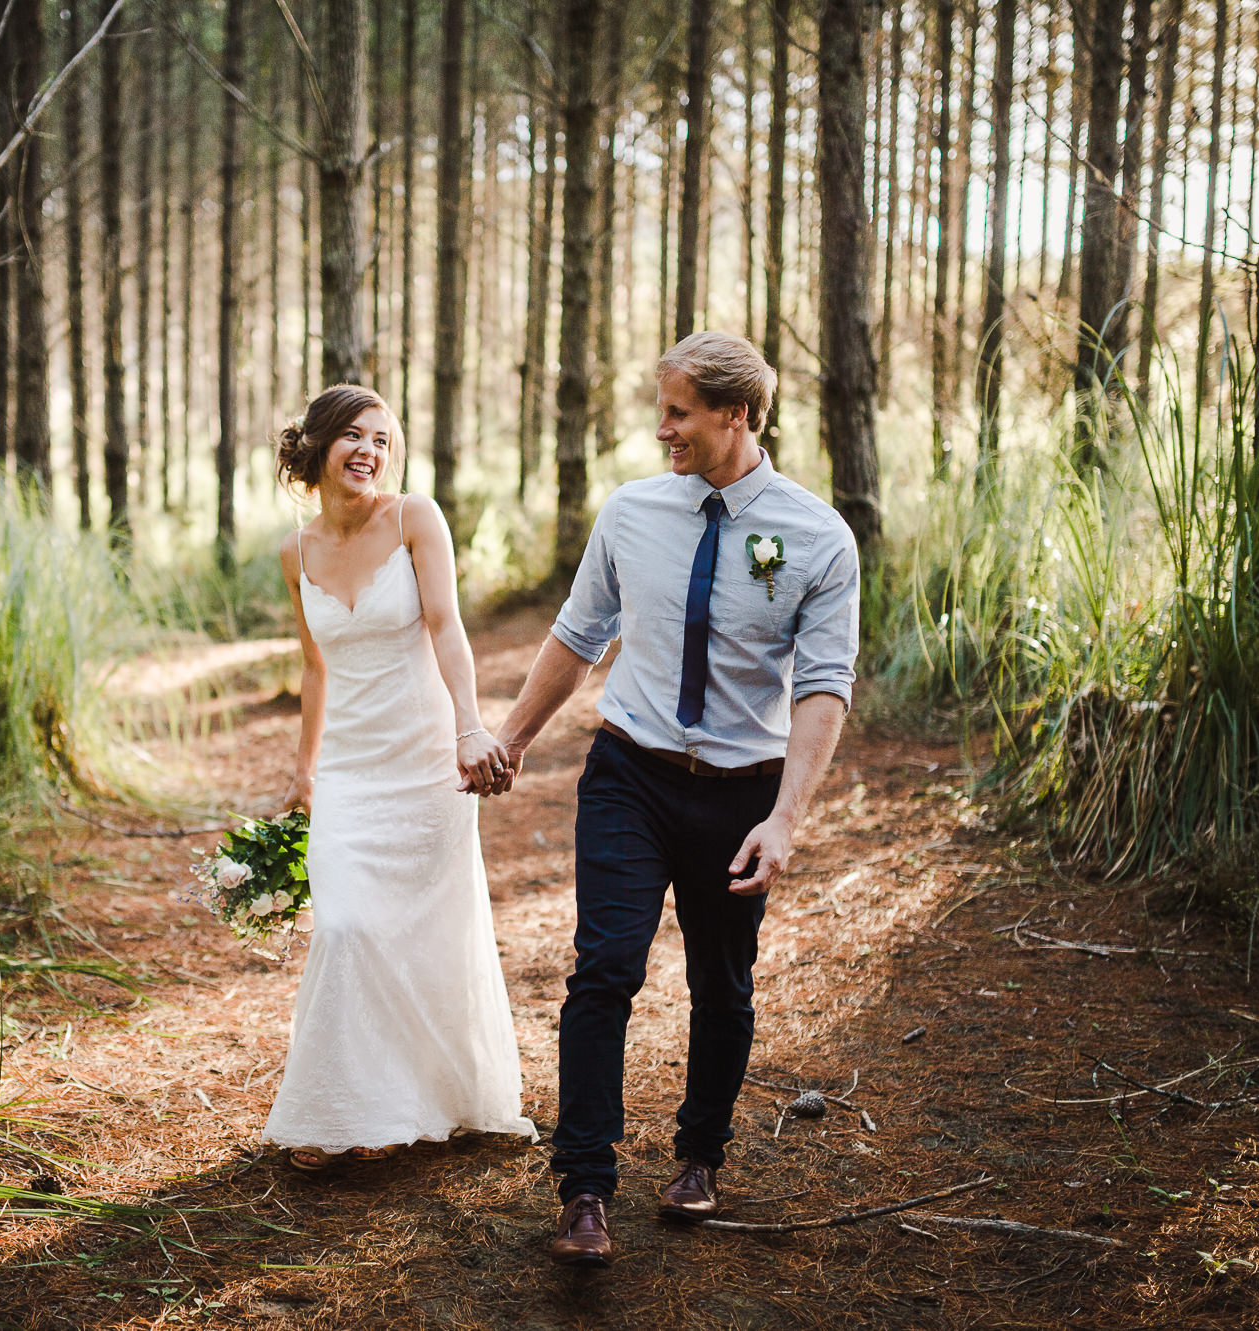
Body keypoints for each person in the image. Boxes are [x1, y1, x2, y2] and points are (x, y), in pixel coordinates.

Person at [485, 332, 859, 1266]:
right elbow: (577, 634)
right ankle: (583, 1187)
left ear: (737, 413)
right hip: (631, 773)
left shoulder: (817, 537)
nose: (662, 430)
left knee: (721, 987)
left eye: (679, 412)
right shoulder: (631, 511)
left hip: (742, 793)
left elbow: (825, 684)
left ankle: (700, 1155)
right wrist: (514, 737)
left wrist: (785, 818)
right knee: (603, 966)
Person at [261, 383, 536, 1171]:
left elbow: (448, 629)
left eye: (382, 439)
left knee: (424, 936)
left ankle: (413, 1103)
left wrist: (469, 726)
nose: (370, 452)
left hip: (424, 766)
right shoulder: (295, 551)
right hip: (350, 771)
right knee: (346, 929)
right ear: (317, 447)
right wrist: (305, 769)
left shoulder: (417, 517)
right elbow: (315, 667)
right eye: (353, 435)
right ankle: (346, 1107)